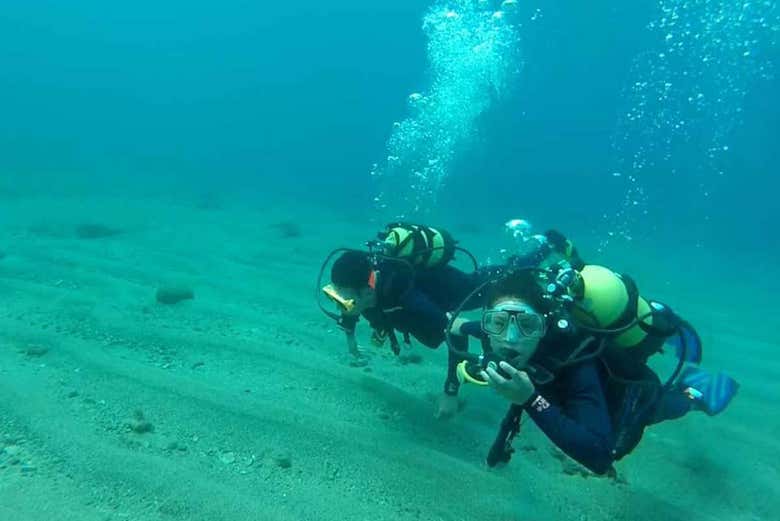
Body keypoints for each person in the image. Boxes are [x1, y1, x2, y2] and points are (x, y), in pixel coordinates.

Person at [451, 262, 738, 474]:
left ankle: (694, 393)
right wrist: (450, 387)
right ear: (487, 324)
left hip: (630, 397)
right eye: (497, 323)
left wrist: (529, 399)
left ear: (545, 327)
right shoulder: (498, 333)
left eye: (527, 325)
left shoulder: (578, 363)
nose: (510, 340)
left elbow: (600, 457)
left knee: (661, 406)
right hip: (559, 394)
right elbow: (455, 325)